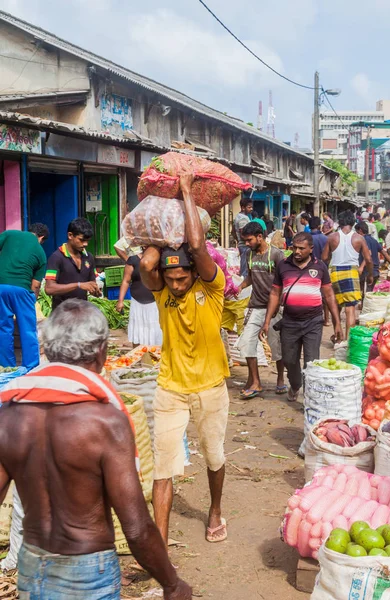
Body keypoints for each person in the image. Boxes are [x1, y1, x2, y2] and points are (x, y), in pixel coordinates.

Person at [0, 299, 191, 599]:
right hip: (88, 569)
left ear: (48, 350)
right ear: (102, 352)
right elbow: (137, 528)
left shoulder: (9, 415)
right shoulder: (105, 422)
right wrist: (172, 583)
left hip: (33, 563)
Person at [140, 173, 230, 546]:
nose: (176, 284)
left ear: (194, 272)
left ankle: (214, 509)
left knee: (214, 457)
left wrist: (187, 192)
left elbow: (196, 244)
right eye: (171, 278)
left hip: (210, 387)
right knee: (163, 468)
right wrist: (159, 232)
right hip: (170, 389)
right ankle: (160, 547)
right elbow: (147, 266)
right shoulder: (161, 291)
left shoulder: (213, 287)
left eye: (181, 278)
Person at [260, 232, 343, 403]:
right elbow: (275, 293)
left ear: (311, 249)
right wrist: (267, 321)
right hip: (289, 322)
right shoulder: (283, 265)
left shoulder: (319, 267)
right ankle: (296, 384)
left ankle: (309, 398)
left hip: (313, 322)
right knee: (289, 360)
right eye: (294, 247)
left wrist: (337, 323)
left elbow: (329, 295)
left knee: (311, 362)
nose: (296, 251)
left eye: (301, 248)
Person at [237, 222, 286, 398]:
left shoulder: (276, 255)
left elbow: (284, 282)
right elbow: (250, 276)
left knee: (276, 345)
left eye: (249, 240)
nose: (247, 243)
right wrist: (241, 286)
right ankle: (256, 382)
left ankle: (280, 379)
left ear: (260, 236)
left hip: (275, 308)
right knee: (247, 342)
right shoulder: (249, 255)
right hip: (256, 306)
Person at [0, 223, 49, 370]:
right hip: (22, 289)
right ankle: (30, 367)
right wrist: (30, 303)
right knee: (28, 329)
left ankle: (7, 367)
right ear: (41, 238)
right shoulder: (40, 253)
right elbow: (35, 285)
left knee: (3, 327)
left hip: (1, 286)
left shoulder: (9, 234)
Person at [322, 210, 373, 339]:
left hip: (335, 272)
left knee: (336, 308)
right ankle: (348, 341)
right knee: (350, 309)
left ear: (339, 222)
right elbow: (368, 259)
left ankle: (338, 337)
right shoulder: (358, 238)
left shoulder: (332, 237)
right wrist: (370, 275)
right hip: (351, 272)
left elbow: (324, 257)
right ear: (353, 222)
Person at [45, 217, 100, 311]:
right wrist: (78, 285)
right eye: (82, 240)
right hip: (62, 314)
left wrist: (95, 290)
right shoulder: (56, 257)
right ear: (70, 235)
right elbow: (49, 289)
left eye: (87, 241)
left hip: (82, 314)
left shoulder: (89, 257)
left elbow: (91, 283)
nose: (86, 244)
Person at [116, 248, 162, 347]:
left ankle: (155, 356)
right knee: (138, 330)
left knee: (156, 330)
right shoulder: (133, 260)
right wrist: (120, 301)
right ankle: (138, 355)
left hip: (156, 303)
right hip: (137, 302)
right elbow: (126, 281)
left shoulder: (160, 259)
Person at [355, 221, 390, 292]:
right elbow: (384, 252)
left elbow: (368, 254)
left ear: (360, 230)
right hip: (375, 272)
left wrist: (361, 267)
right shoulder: (374, 240)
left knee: (364, 292)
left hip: (367, 271)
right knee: (369, 292)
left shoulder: (363, 240)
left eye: (356, 232)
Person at [233, 197, 253, 277]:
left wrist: (238, 240)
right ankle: (243, 285)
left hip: (242, 245)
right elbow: (243, 233)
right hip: (245, 246)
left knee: (245, 266)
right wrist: (248, 242)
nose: (251, 209)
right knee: (245, 269)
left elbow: (233, 231)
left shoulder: (238, 216)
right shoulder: (243, 218)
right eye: (249, 207)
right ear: (243, 207)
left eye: (251, 207)